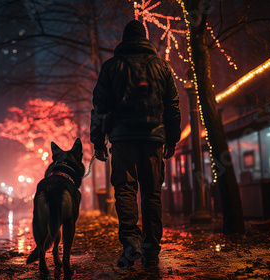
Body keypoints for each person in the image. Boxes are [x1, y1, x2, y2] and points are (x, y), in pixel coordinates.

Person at [90, 20, 181, 268]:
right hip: (153, 140)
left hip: (122, 139)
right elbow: (172, 106)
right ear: (145, 38)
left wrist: (98, 141)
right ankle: (151, 247)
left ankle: (131, 242)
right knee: (152, 193)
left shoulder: (111, 67)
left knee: (125, 190)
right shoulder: (162, 67)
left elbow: (100, 107)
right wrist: (172, 139)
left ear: (124, 39)